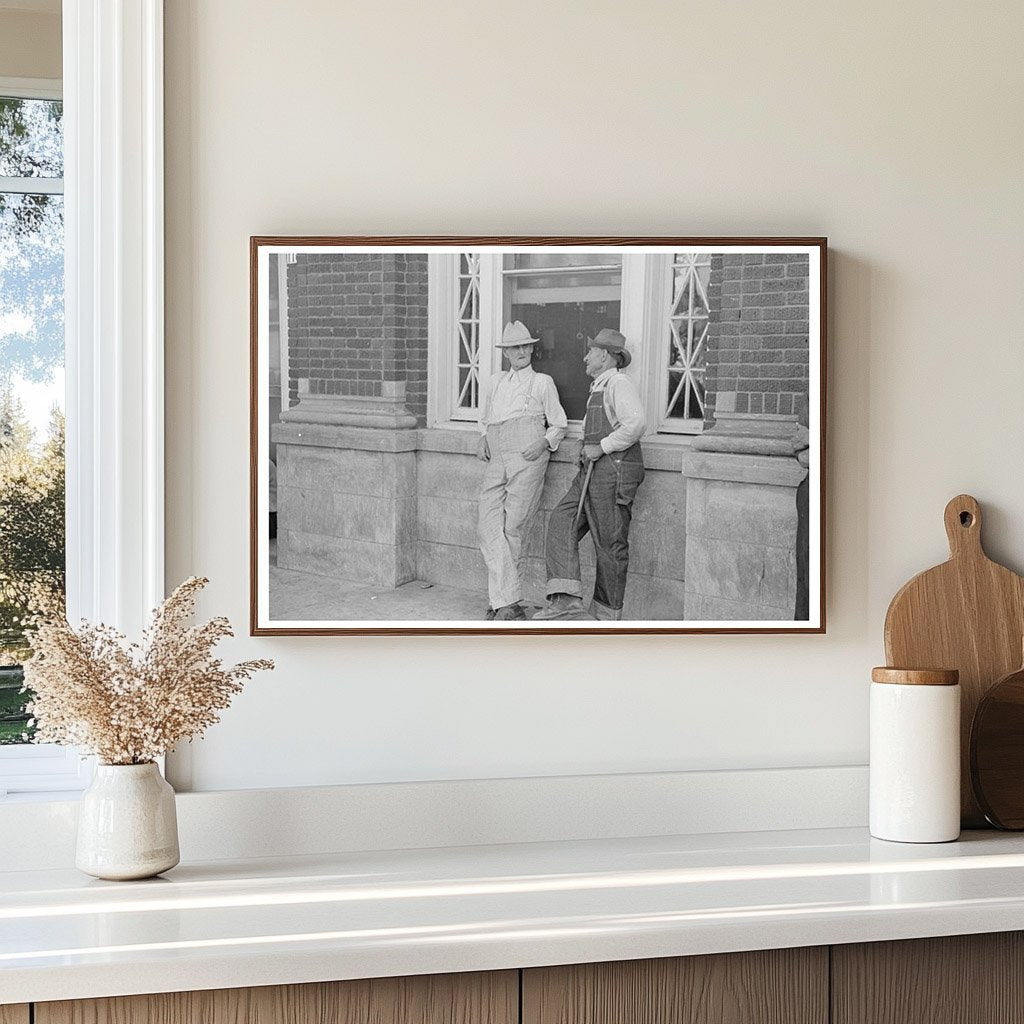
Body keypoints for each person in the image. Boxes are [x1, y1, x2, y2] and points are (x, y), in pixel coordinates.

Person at [533, 328, 645, 621]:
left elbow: (636, 424)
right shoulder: (599, 386)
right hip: (592, 471)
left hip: (614, 472)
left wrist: (602, 446)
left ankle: (606, 617)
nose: (585, 357)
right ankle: (566, 599)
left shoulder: (619, 384)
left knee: (609, 544)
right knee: (561, 520)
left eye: (591, 351)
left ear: (606, 356)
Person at [477, 321, 568, 621]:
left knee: (513, 527)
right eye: (515, 347)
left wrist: (542, 443)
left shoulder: (542, 382)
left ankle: (502, 604)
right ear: (506, 353)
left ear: (532, 348)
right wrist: (482, 438)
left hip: (528, 454)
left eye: (526, 346)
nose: (522, 351)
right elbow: (484, 417)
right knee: (488, 525)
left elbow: (559, 423)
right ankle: (507, 599)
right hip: (497, 453)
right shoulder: (494, 382)